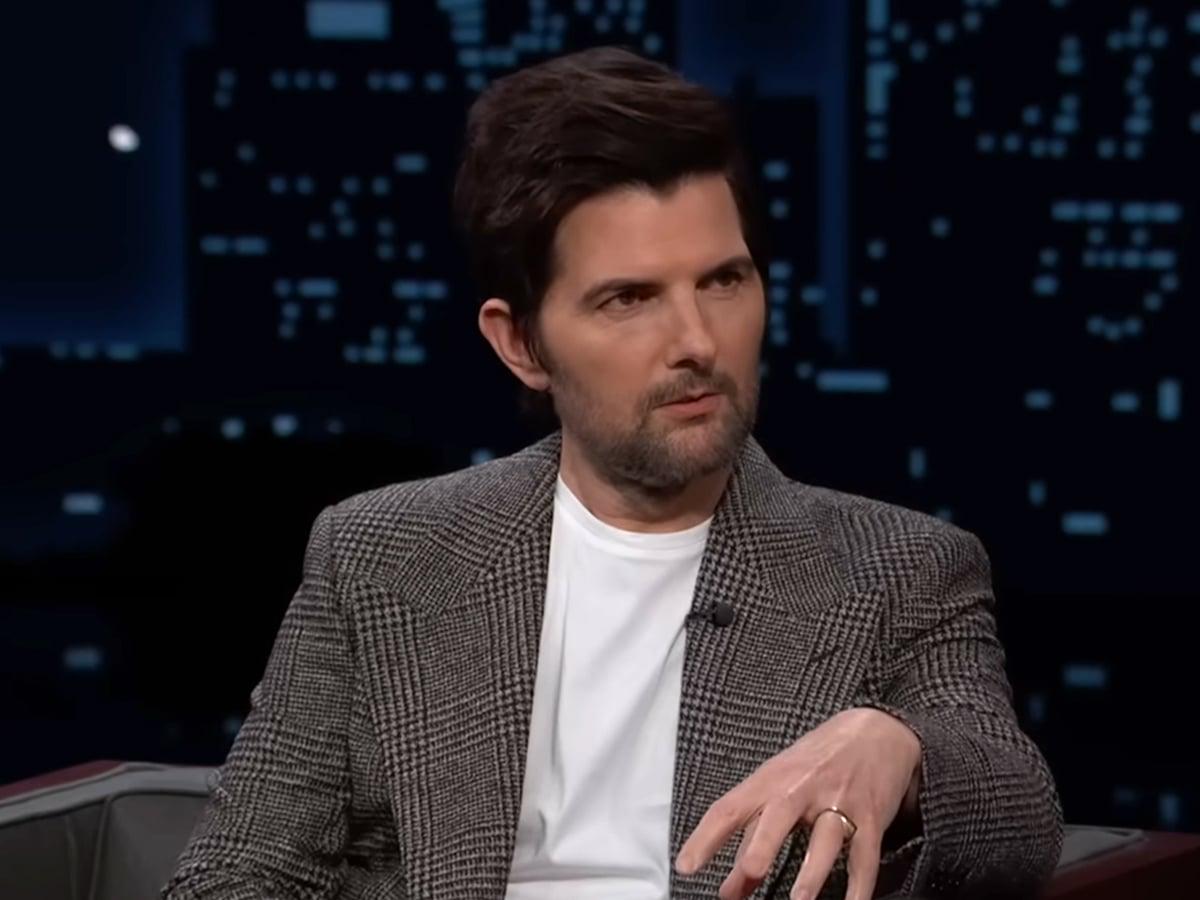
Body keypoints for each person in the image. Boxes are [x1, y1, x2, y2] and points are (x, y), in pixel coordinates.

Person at [162, 46, 1063, 900]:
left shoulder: (899, 569)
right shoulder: (381, 555)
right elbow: (232, 874)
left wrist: (903, 748)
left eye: (723, 281)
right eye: (630, 299)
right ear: (520, 344)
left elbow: (1018, 825)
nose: (697, 342)